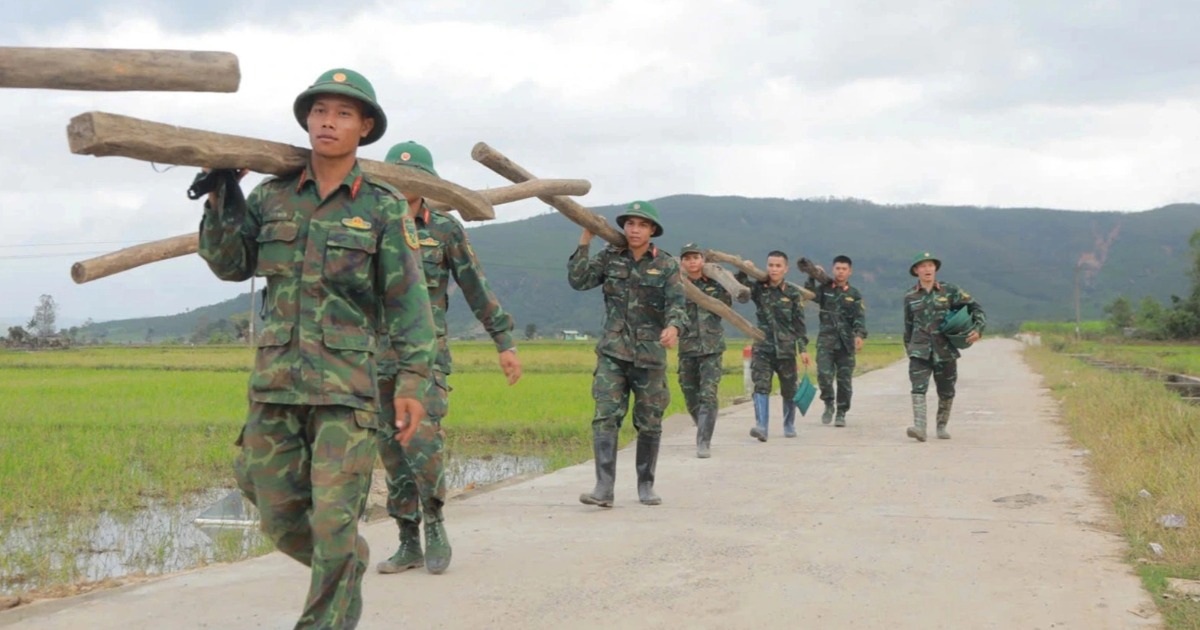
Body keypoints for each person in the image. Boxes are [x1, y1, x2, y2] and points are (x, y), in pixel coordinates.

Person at [197, 68, 436, 629]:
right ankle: (347, 562)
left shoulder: (382, 207)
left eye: (343, 113)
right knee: (276, 513)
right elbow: (231, 266)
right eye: (320, 110)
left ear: (365, 127)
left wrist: (411, 385)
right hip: (276, 386)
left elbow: (410, 307)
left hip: (345, 391)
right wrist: (219, 193)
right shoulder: (272, 195)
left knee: (333, 524)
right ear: (307, 119)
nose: (328, 121)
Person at [375, 141, 522, 576]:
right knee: (391, 453)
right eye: (394, 179)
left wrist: (504, 342)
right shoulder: (366, 226)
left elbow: (475, 286)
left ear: (427, 183)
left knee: (422, 446)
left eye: (412, 179)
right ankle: (407, 540)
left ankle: (435, 523)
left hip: (426, 359)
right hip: (376, 358)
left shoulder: (445, 230)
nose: (403, 187)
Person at [569, 201, 688, 507]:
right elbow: (579, 280)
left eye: (642, 225)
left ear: (652, 231)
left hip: (650, 356)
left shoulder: (666, 265)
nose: (634, 230)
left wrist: (673, 327)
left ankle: (646, 484)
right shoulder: (610, 257)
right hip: (612, 351)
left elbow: (678, 304)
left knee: (649, 421)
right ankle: (603, 487)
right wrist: (586, 238)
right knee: (605, 415)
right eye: (630, 224)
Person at [903, 251, 985, 442]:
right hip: (919, 350)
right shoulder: (910, 296)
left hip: (945, 350)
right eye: (922, 266)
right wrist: (909, 347)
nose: (927, 269)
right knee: (918, 388)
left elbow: (975, 307)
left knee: (946, 390)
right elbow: (908, 325)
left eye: (930, 265)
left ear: (935, 268)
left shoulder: (950, 291)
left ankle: (941, 425)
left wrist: (978, 329)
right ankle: (920, 427)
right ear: (916, 271)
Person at [736, 252, 810, 441]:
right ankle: (761, 426)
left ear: (786, 269)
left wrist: (802, 349)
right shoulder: (760, 288)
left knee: (789, 389)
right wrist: (743, 269)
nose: (774, 269)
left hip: (786, 350)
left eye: (778, 266)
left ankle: (789, 424)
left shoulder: (793, 294)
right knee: (761, 386)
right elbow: (741, 292)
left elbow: (799, 325)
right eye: (771, 265)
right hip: (763, 347)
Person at [676, 243, 732, 458]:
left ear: (703, 260)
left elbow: (730, 300)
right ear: (682, 262)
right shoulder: (677, 285)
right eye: (687, 258)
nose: (692, 262)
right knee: (690, 394)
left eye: (695, 257)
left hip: (711, 348)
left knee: (708, 394)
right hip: (687, 348)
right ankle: (701, 427)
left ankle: (703, 441)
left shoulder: (715, 285)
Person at [804, 255, 867, 427]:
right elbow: (809, 295)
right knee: (824, 375)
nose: (840, 272)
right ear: (833, 269)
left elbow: (859, 317)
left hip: (846, 343)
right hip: (826, 341)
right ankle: (829, 403)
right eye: (838, 268)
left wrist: (859, 335)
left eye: (844, 269)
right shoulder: (825, 289)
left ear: (849, 271)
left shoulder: (854, 294)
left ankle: (841, 412)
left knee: (844, 380)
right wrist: (811, 274)